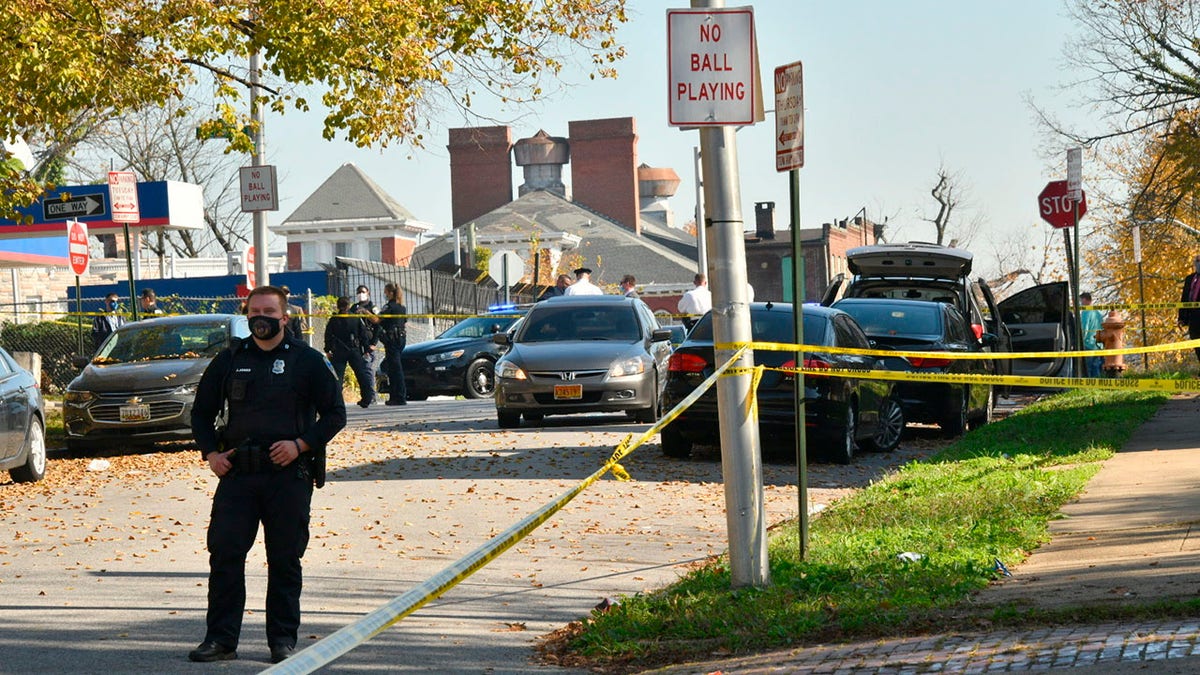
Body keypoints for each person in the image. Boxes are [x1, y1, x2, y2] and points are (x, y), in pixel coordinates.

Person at [188, 285, 346, 665]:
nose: (261, 318)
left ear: (284, 317)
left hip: (287, 475)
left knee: (285, 559)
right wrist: (211, 453)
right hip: (239, 475)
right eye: (254, 311)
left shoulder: (307, 360)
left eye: (269, 311)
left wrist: (302, 444)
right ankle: (221, 640)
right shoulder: (230, 359)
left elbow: (336, 414)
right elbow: (201, 413)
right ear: (246, 314)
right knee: (225, 555)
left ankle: (282, 641)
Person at [325, 296, 375, 408]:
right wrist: (366, 348)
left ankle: (336, 401)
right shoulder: (355, 318)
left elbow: (328, 335)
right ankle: (367, 399)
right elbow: (363, 335)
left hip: (338, 351)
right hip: (354, 349)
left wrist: (327, 349)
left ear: (338, 306)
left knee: (337, 377)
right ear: (348, 306)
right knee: (361, 374)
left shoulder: (334, 319)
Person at [378, 283, 408, 406]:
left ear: (391, 292)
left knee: (395, 369)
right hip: (400, 339)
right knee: (395, 368)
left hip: (392, 340)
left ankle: (399, 397)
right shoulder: (402, 307)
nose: (385, 294)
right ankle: (397, 395)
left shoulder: (390, 307)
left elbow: (377, 320)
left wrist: (365, 313)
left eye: (386, 292)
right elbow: (404, 322)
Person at [351, 285, 381, 398]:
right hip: (356, 342)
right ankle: (365, 395)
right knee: (360, 371)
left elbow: (378, 325)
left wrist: (374, 343)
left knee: (368, 369)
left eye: (362, 292)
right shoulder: (354, 308)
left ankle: (371, 395)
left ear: (368, 292)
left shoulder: (372, 307)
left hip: (368, 342)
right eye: (358, 292)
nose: (360, 294)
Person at [1179, 253, 1200, 362]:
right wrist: (1181, 318)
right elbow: (1184, 299)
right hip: (1193, 319)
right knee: (1197, 346)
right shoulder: (1189, 279)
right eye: (1197, 261)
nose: (1198, 264)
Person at [1080, 292, 1103, 378]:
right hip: (1098, 344)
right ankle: (1098, 387)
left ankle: (1089, 387)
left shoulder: (1085, 312)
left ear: (1085, 300)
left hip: (1088, 343)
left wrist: (1080, 342)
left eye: (1081, 301)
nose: (1081, 303)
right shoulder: (1098, 313)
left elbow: (1084, 329)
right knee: (1096, 367)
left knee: (1087, 368)